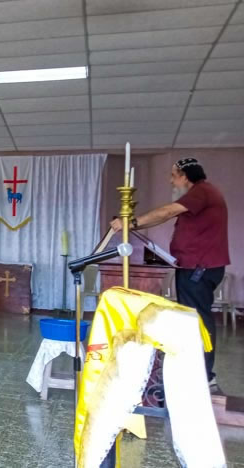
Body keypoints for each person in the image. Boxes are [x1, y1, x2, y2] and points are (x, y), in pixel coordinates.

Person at [111, 157, 229, 394]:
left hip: (199, 268)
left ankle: (204, 377)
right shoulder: (203, 194)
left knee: (197, 321)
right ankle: (196, 371)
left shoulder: (201, 191)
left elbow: (167, 212)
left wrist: (130, 222)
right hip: (194, 267)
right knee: (193, 319)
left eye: (174, 175)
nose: (171, 181)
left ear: (185, 176)